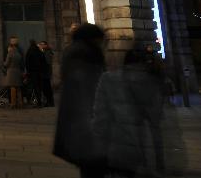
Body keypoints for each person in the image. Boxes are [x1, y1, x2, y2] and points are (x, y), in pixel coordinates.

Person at [92, 49, 176, 177]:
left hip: (119, 150)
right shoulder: (153, 80)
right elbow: (157, 121)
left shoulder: (108, 78)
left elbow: (100, 116)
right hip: (148, 154)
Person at [53, 23, 106, 178]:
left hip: (79, 119)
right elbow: (87, 86)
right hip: (86, 119)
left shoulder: (74, 51)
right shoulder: (86, 53)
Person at [25, 39, 46, 107]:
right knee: (39, 87)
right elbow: (43, 60)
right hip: (39, 72)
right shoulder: (39, 51)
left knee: (33, 87)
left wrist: (28, 71)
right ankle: (39, 102)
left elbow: (27, 62)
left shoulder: (29, 51)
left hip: (32, 72)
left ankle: (30, 100)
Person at [3, 43, 23, 109]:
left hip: (11, 72)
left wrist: (4, 63)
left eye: (8, 48)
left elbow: (6, 64)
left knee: (12, 88)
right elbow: (21, 63)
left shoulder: (10, 54)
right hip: (18, 71)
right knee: (18, 88)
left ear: (11, 48)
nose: (8, 49)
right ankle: (20, 103)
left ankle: (13, 104)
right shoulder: (18, 54)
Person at [39, 41, 55, 107]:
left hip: (46, 73)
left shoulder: (47, 52)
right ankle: (49, 102)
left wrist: (41, 53)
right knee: (46, 88)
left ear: (46, 45)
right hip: (46, 72)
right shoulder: (46, 52)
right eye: (41, 45)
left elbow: (47, 62)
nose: (41, 46)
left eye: (42, 44)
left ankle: (49, 102)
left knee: (47, 88)